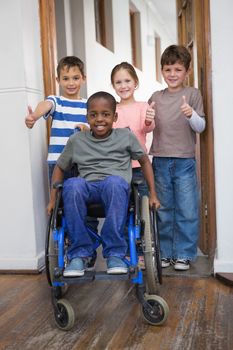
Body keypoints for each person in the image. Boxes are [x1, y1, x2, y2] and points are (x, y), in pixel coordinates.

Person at [47, 91, 160, 277]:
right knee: (73, 184)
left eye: (106, 114)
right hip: (88, 188)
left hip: (116, 189)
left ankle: (115, 253)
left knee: (114, 182)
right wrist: (52, 201)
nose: (99, 119)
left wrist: (153, 195)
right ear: (87, 117)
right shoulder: (76, 140)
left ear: (115, 117)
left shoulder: (125, 136)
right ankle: (80, 254)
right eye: (93, 115)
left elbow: (145, 161)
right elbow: (60, 167)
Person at [148, 45, 206, 271]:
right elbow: (147, 126)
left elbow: (200, 127)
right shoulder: (155, 97)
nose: (172, 74)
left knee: (187, 209)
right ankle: (165, 252)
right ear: (162, 70)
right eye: (168, 69)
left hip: (184, 161)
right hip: (160, 160)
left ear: (187, 71)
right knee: (163, 209)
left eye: (178, 69)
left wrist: (191, 114)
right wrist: (148, 119)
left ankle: (183, 254)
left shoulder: (193, 94)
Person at [25, 56, 89, 183]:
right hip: (57, 161)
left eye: (75, 78)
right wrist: (35, 116)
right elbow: (46, 104)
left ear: (83, 79)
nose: (71, 83)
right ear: (58, 80)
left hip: (82, 162)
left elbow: (92, 128)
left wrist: (86, 129)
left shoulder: (88, 104)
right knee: (59, 200)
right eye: (65, 79)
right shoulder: (56, 101)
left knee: (79, 197)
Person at [111, 62, 155, 196]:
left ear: (135, 82)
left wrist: (148, 120)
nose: (123, 86)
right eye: (118, 82)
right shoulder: (112, 110)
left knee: (142, 204)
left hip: (139, 167)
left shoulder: (143, 106)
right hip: (116, 167)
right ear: (113, 86)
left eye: (127, 81)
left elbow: (147, 128)